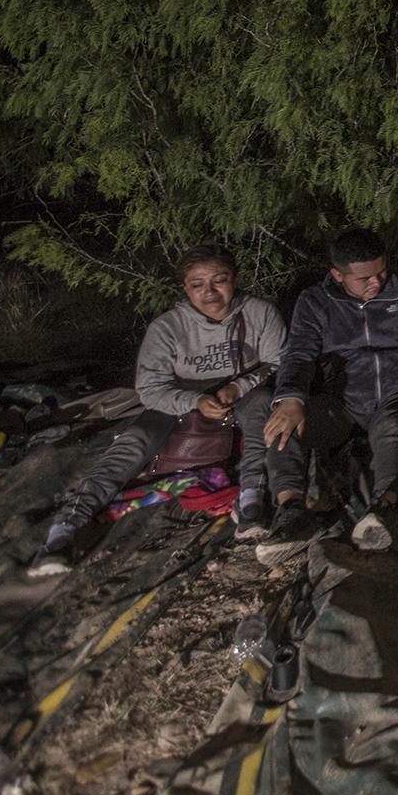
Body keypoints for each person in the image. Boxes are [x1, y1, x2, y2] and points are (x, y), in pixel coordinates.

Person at [31, 245, 286, 576]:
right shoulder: (167, 328)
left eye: (219, 280)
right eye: (198, 284)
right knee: (136, 439)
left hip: (242, 395)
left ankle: (252, 500)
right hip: (182, 402)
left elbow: (279, 361)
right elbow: (150, 390)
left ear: (234, 279)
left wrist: (238, 386)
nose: (210, 292)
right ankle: (64, 531)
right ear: (186, 288)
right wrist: (193, 402)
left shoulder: (259, 313)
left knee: (261, 409)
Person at [257, 227, 398, 559]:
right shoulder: (316, 301)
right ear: (337, 274)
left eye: (381, 272)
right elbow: (299, 354)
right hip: (344, 400)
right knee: (283, 426)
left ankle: (385, 508)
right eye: (365, 278)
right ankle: (292, 513)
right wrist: (290, 399)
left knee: (393, 426)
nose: (377, 282)